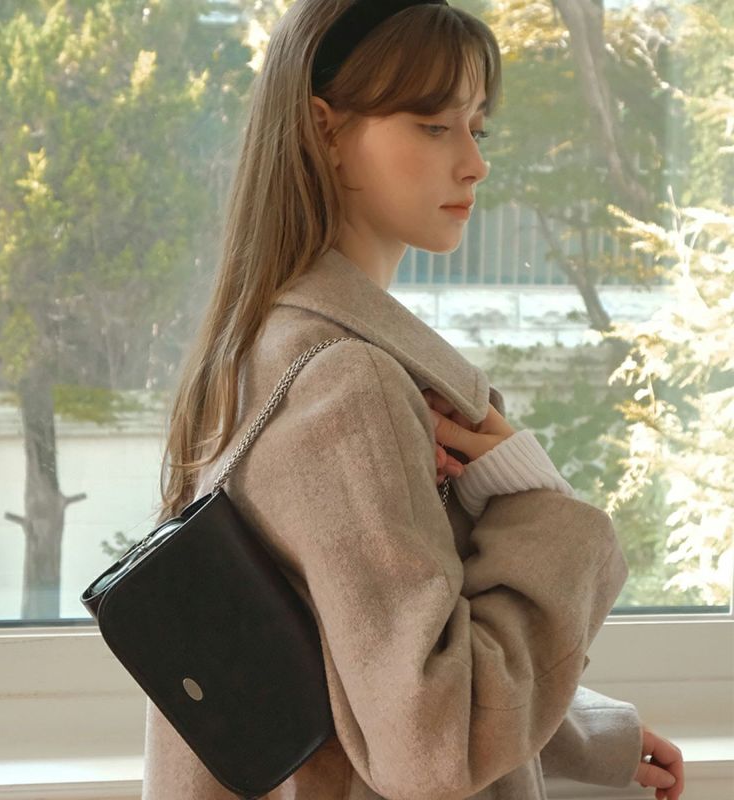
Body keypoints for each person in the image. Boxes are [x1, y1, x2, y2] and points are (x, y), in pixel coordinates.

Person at [142, 1, 685, 798]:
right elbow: (430, 742)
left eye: (478, 127)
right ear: (324, 130)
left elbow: (341, 670)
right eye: (434, 125)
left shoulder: (256, 347)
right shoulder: (347, 382)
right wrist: (539, 504)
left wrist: (586, 736)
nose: (474, 163)